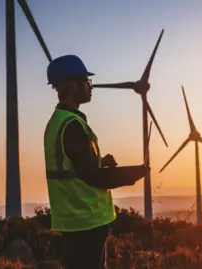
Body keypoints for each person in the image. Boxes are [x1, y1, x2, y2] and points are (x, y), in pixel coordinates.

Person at [43, 54, 150, 269]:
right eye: (85, 81)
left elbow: (75, 166)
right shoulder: (71, 125)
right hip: (85, 220)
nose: (90, 87)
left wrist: (100, 161)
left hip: (74, 219)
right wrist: (135, 173)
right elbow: (94, 176)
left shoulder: (59, 122)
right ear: (72, 85)